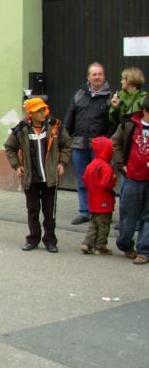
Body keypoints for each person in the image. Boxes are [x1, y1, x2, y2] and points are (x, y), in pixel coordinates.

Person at [5, 97, 71, 252]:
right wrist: (17, 166)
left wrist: (62, 163)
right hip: (31, 178)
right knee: (33, 211)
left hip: (50, 179)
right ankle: (33, 239)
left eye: (43, 110)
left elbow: (67, 145)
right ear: (31, 113)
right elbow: (9, 147)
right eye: (39, 111)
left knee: (49, 213)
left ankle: (50, 241)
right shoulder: (21, 129)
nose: (43, 113)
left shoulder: (55, 126)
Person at [64, 62, 113, 225]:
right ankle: (85, 211)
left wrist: (106, 140)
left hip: (99, 148)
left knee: (100, 180)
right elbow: (70, 117)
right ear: (88, 77)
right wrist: (64, 137)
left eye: (100, 74)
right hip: (79, 145)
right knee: (82, 179)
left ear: (104, 76)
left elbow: (114, 122)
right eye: (94, 74)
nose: (97, 77)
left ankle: (100, 211)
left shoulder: (110, 97)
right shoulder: (79, 94)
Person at [111, 96, 149, 265]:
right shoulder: (130, 124)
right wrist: (121, 165)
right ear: (145, 112)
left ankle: (144, 251)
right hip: (132, 178)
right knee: (128, 216)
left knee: (148, 217)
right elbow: (115, 143)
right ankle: (125, 244)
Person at [80, 136, 116, 255]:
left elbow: (85, 179)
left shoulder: (91, 164)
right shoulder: (106, 167)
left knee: (93, 223)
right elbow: (106, 184)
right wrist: (114, 180)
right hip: (104, 201)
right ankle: (100, 247)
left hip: (93, 200)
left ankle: (87, 243)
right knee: (103, 225)